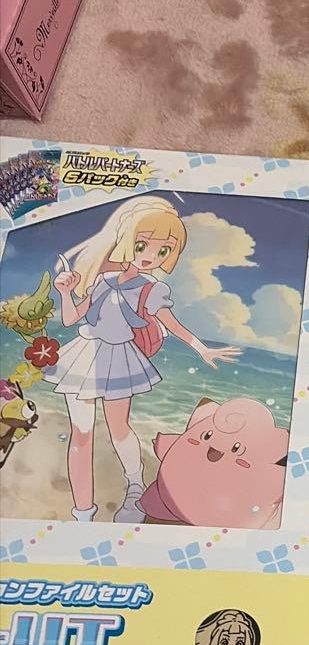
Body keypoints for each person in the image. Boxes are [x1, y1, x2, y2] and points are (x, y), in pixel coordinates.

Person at [49, 196, 240, 523]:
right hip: (83, 356)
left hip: (119, 357)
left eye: (163, 250)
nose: (151, 256)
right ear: (127, 242)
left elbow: (171, 324)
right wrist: (65, 292)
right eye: (142, 245)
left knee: (119, 429)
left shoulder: (152, 289)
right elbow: (71, 319)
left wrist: (201, 347)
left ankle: (135, 487)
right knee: (80, 433)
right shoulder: (102, 281)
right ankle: (82, 511)